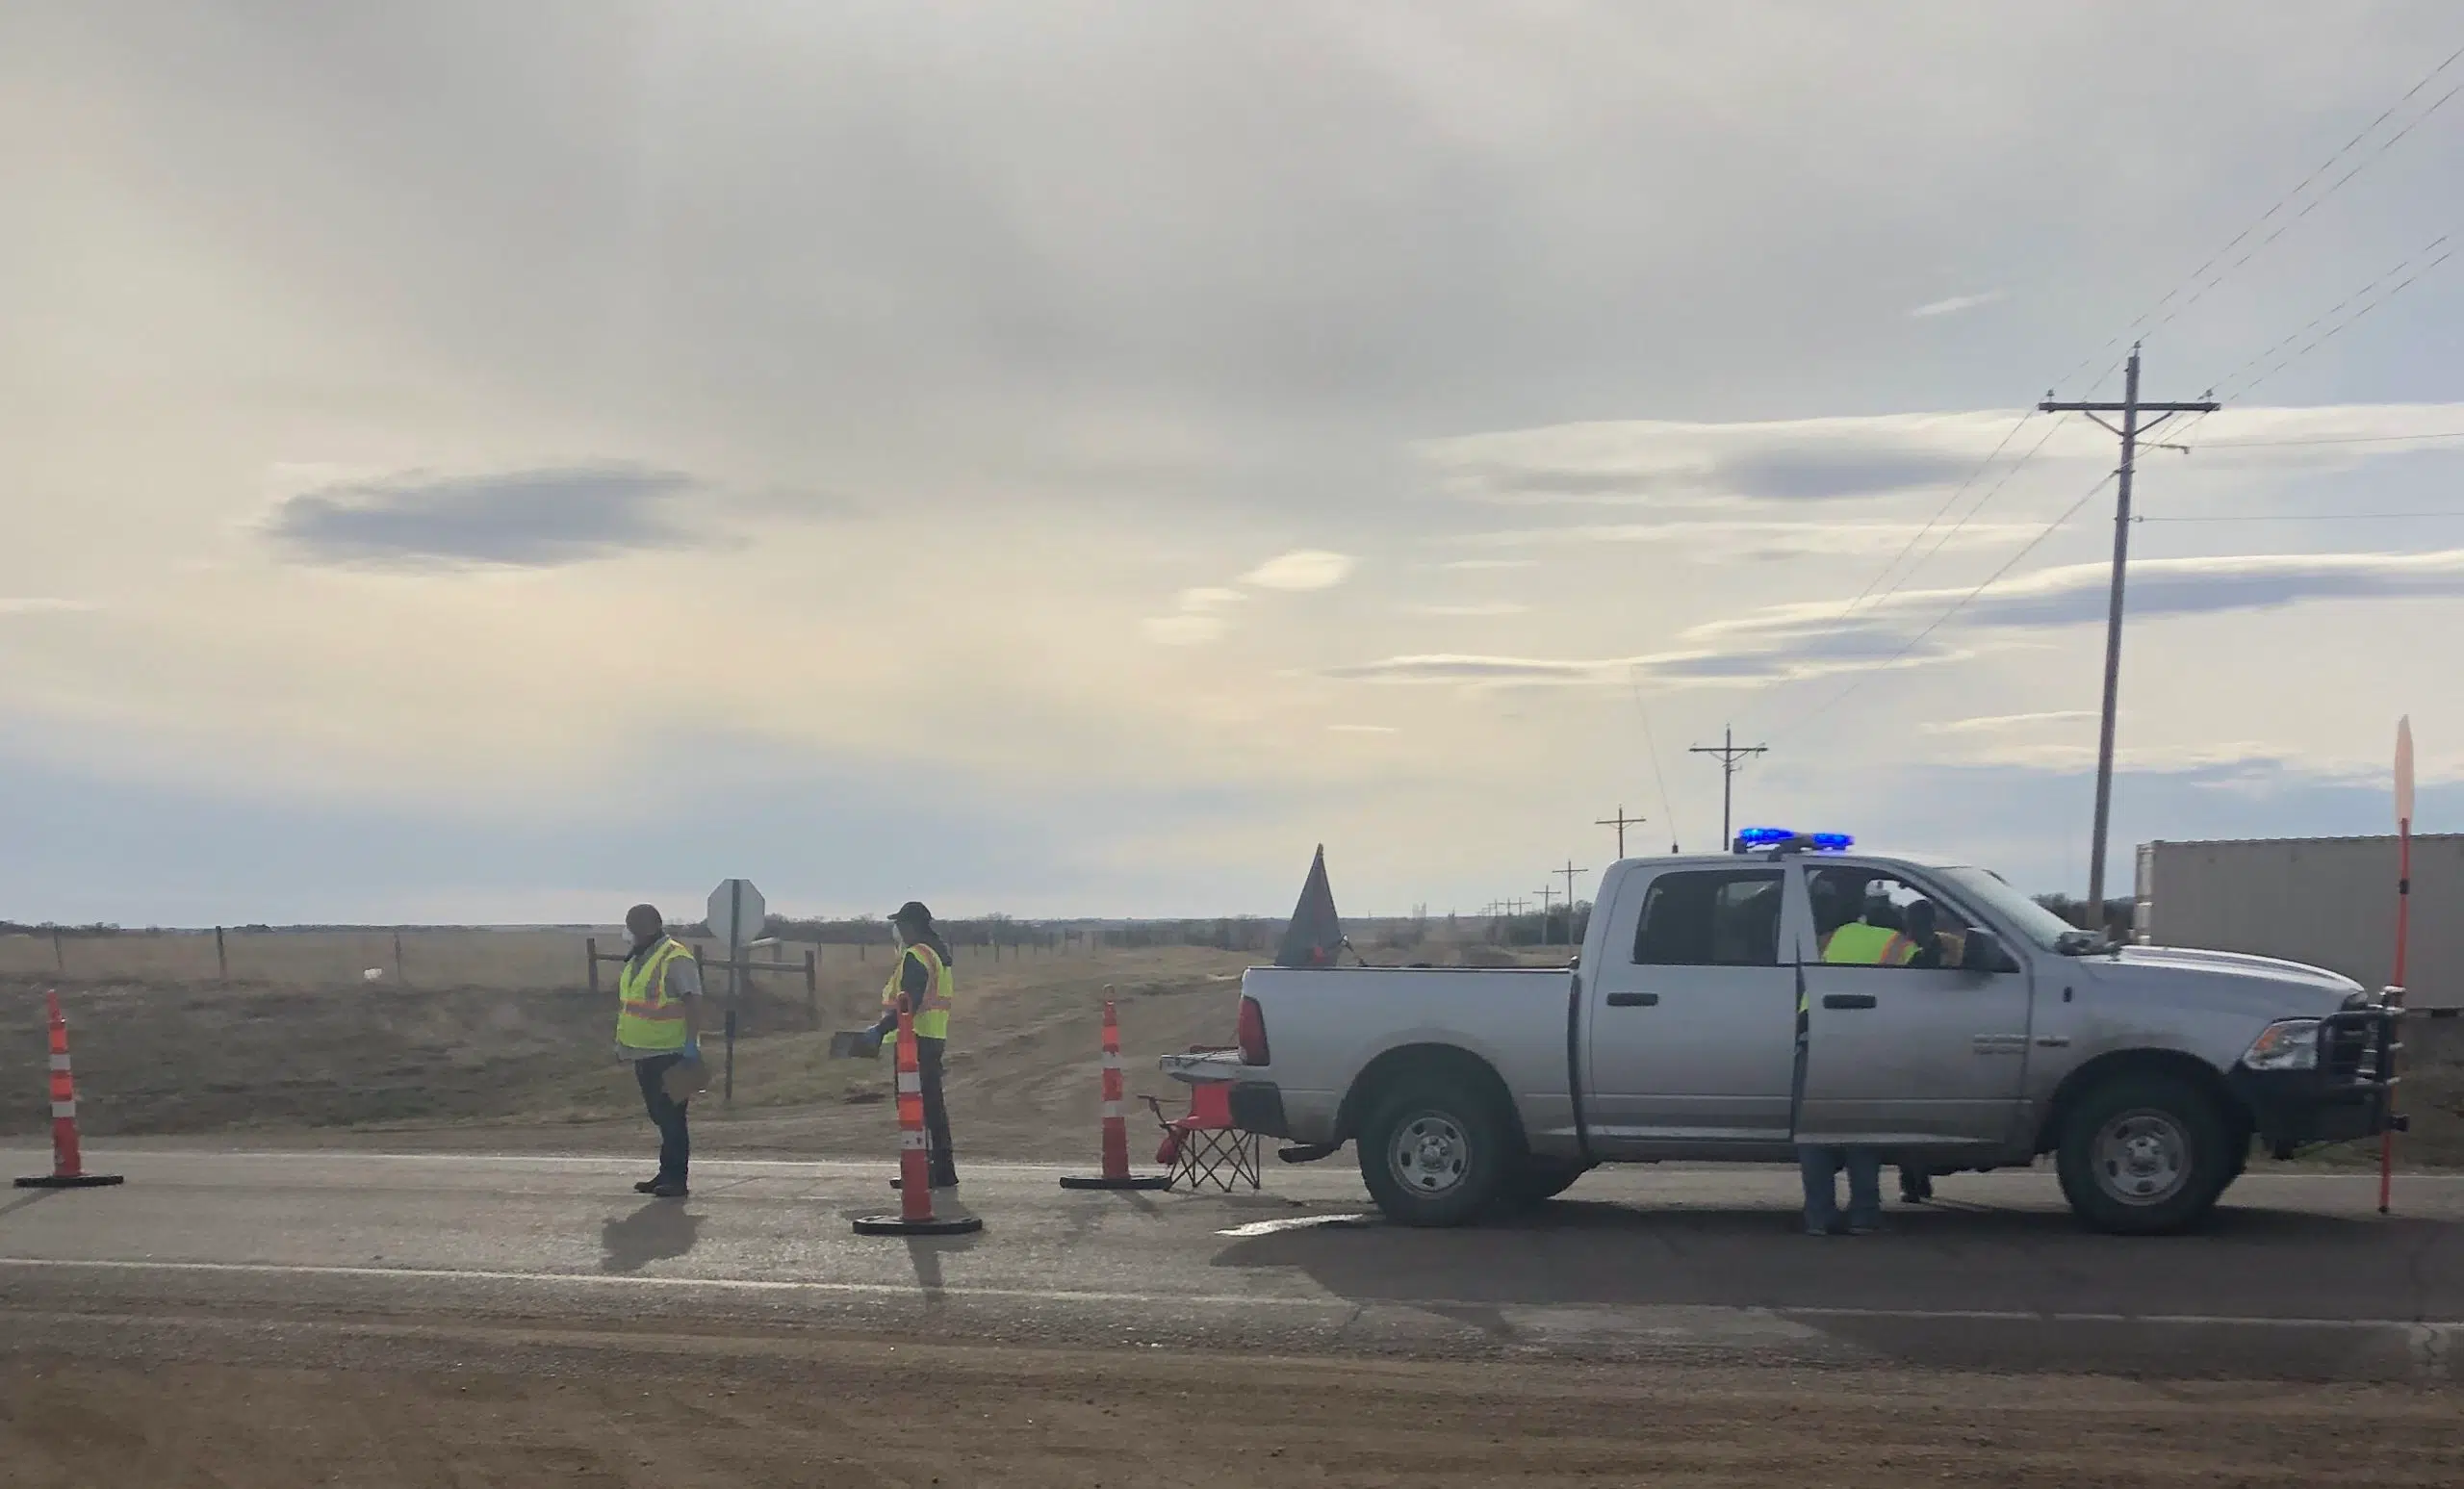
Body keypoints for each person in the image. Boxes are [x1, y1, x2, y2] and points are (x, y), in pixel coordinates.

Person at [863, 900, 959, 1189]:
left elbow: (909, 1003)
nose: (898, 930)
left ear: (910, 926)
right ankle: (942, 1170)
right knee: (931, 1106)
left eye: (900, 924)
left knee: (914, 1107)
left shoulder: (916, 956)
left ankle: (923, 1170)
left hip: (913, 1041)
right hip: (931, 1038)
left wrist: (879, 1030)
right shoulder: (936, 954)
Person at [614, 903, 702, 1198]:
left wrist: (691, 1044)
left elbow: (694, 1001)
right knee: (660, 1116)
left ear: (649, 926)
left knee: (673, 1117)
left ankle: (677, 1179)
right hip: (644, 1053)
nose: (630, 932)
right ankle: (666, 1173)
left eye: (633, 926)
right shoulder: (640, 957)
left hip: (673, 1053)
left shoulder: (675, 957)